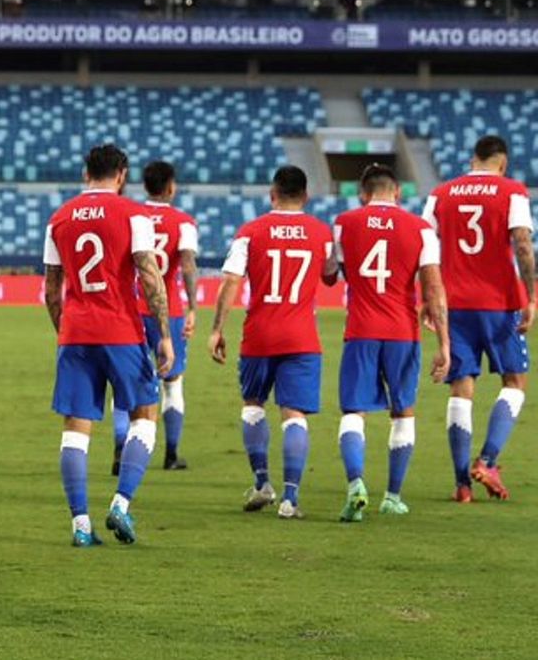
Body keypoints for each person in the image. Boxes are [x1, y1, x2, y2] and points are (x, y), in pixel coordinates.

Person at [44, 144, 173, 547]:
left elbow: (52, 290)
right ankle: (121, 502)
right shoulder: (134, 214)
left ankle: (80, 524)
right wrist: (164, 334)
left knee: (76, 429)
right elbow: (150, 276)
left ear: (86, 174)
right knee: (145, 415)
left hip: (76, 332)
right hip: (121, 330)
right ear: (121, 174)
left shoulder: (59, 218)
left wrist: (63, 331)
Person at [208, 165, 333, 519]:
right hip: (302, 337)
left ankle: (263, 482)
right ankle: (290, 500)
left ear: (272, 195)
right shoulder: (321, 232)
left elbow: (230, 282)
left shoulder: (251, 231)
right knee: (293, 415)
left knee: (253, 406)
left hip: (259, 334)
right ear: (306, 197)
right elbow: (329, 275)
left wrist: (217, 329)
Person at [329, 165, 450, 521]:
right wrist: (444, 343)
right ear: (397, 192)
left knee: (354, 411)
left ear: (363, 193)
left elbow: (332, 273)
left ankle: (355, 486)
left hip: (361, 329)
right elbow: (435, 290)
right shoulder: (421, 229)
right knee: (403, 411)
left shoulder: (344, 222)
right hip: (402, 331)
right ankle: (393, 496)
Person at [422, 135, 534, 502]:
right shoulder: (512, 190)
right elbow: (521, 243)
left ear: (473, 160)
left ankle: (461, 485)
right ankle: (486, 460)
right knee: (515, 381)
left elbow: (425, 245)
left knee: (461, 386)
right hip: (499, 302)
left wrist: (427, 297)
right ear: (502, 163)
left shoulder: (440, 193)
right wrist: (532, 296)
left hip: (453, 303)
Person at [110, 161, 198, 472]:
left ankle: (121, 449)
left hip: (131, 308)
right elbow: (187, 265)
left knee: (125, 381)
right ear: (171, 187)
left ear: (144, 185)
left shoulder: (130, 214)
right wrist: (192, 308)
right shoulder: (183, 222)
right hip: (168, 310)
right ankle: (171, 454)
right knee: (172, 383)